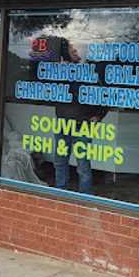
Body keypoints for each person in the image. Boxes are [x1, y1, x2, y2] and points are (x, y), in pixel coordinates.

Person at [51, 38, 107, 194]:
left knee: (82, 165)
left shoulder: (89, 72)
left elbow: (104, 96)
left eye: (76, 50)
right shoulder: (62, 72)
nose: (73, 52)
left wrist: (99, 116)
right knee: (60, 162)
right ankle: (61, 193)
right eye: (71, 50)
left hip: (82, 126)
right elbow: (49, 91)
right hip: (62, 124)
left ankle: (85, 198)